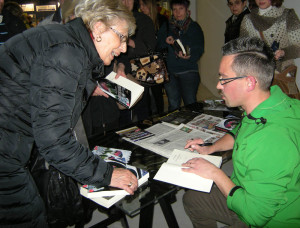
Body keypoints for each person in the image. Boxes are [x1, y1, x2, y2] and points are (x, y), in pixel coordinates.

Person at [0, 0, 139, 226]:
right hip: (5, 150)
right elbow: (54, 140)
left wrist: (82, 86)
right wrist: (108, 174)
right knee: (27, 216)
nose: (124, 48)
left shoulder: (67, 41)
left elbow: (40, 82)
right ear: (98, 28)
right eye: (121, 37)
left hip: (10, 140)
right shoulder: (67, 52)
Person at [182, 37, 300, 227]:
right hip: (246, 188)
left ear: (250, 83)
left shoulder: (270, 141)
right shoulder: (273, 103)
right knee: (192, 200)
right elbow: (240, 130)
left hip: (268, 218)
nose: (219, 86)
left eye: (224, 79)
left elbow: (255, 215)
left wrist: (215, 174)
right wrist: (211, 148)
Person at [157, 0, 204, 112]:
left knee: (190, 105)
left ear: (187, 10)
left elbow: (199, 48)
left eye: (181, 9)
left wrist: (190, 56)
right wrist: (165, 41)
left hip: (188, 72)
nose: (177, 12)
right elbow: (158, 45)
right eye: (174, 9)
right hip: (170, 72)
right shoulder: (167, 26)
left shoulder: (194, 27)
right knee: (173, 105)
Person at [117, 0, 157, 124]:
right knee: (122, 112)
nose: (126, 2)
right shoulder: (111, 20)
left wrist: (129, 42)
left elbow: (151, 47)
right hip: (119, 72)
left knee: (142, 111)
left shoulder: (144, 20)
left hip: (141, 72)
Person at [239, 0, 300, 72]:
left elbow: (298, 47)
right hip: (258, 71)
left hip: (282, 72)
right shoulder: (247, 19)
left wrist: (284, 52)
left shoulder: (288, 15)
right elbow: (243, 49)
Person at [139, 0, 168, 115]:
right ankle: (148, 118)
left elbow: (162, 43)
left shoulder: (162, 20)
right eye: (140, 5)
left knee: (157, 93)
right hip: (142, 60)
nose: (141, 8)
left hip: (157, 61)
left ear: (149, 5)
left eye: (143, 5)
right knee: (145, 93)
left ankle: (160, 117)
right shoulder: (139, 19)